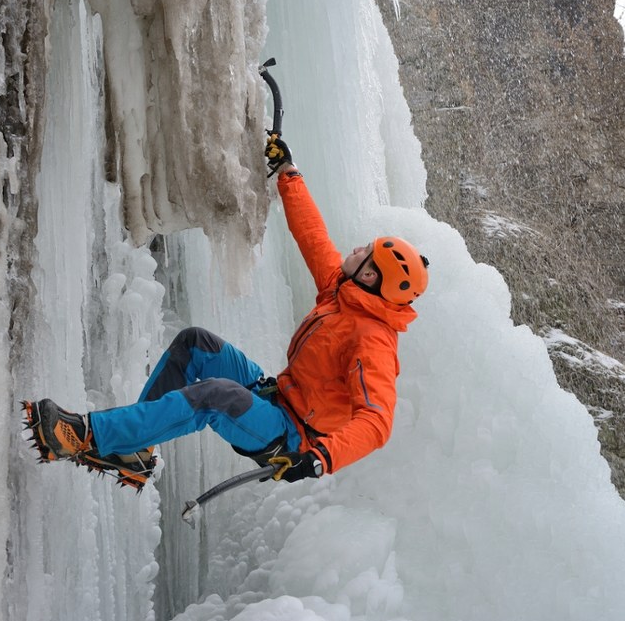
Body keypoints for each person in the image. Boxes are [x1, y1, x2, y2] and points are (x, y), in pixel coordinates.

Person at [22, 135, 429, 491]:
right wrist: (288, 172)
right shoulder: (343, 293)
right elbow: (314, 239)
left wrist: (320, 459)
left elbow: (377, 422)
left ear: (372, 274)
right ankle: (134, 452)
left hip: (290, 438)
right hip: (276, 398)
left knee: (214, 396)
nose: (355, 250)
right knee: (196, 343)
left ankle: (86, 436)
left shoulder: (372, 339)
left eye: (365, 252)